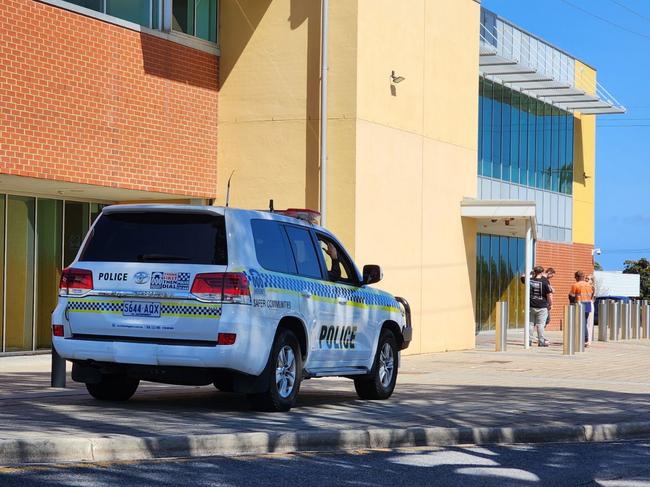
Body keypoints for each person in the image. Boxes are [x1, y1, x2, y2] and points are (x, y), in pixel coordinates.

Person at [529, 265, 553, 347]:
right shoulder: (545, 281)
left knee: (530, 324)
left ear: (534, 272)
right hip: (542, 306)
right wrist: (550, 304)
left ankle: (528, 341)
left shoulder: (530, 280)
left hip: (531, 305)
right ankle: (541, 341)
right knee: (540, 325)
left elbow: (522, 277)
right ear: (542, 272)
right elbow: (549, 294)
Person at [569, 271, 594, 347]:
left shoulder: (576, 285)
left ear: (577, 277)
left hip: (579, 304)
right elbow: (592, 295)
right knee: (585, 322)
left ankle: (584, 339)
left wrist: (571, 303)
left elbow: (572, 296)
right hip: (588, 304)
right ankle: (585, 339)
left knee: (580, 323)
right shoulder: (589, 285)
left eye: (575, 277)